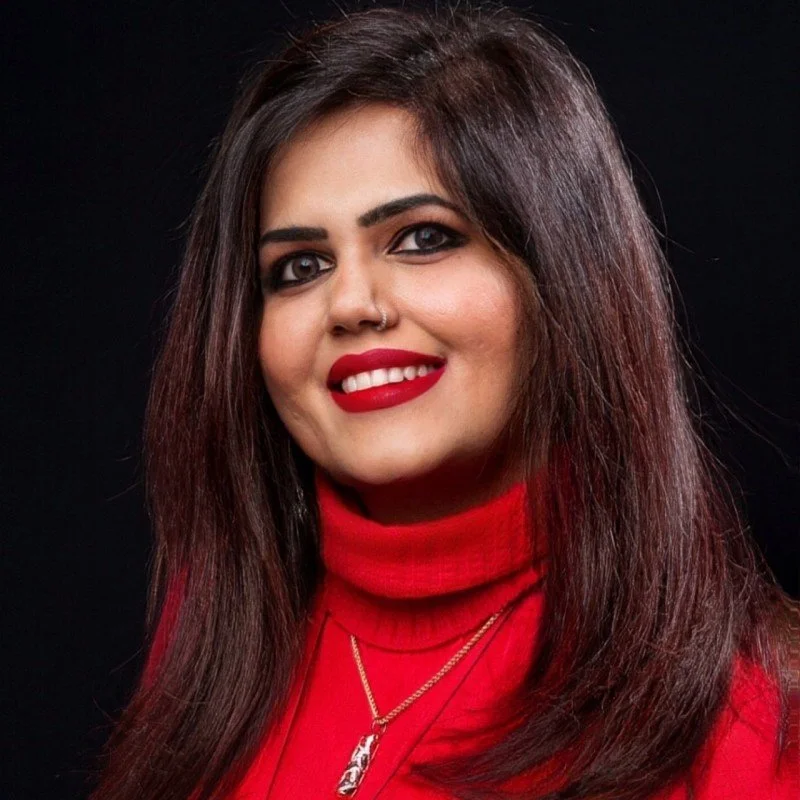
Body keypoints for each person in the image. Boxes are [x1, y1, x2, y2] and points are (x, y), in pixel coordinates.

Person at [92, 5, 798, 799]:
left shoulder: (749, 729)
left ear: (563, 283)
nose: (352, 304)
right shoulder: (217, 645)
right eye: (299, 266)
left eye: (423, 237)